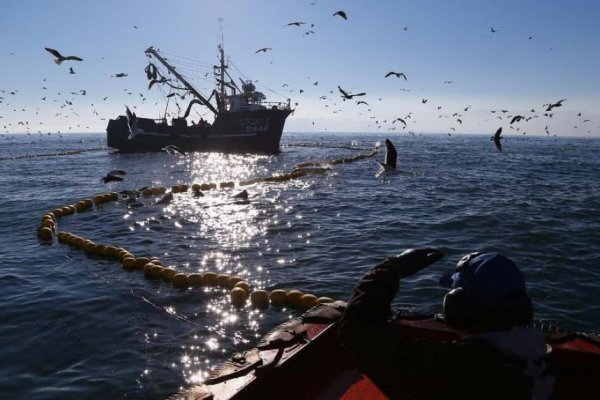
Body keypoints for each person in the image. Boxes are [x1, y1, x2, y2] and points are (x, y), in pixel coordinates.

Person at [338, 248, 555, 400]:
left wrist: (391, 269)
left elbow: (356, 332)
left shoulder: (458, 367)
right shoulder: (536, 354)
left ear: (459, 308)